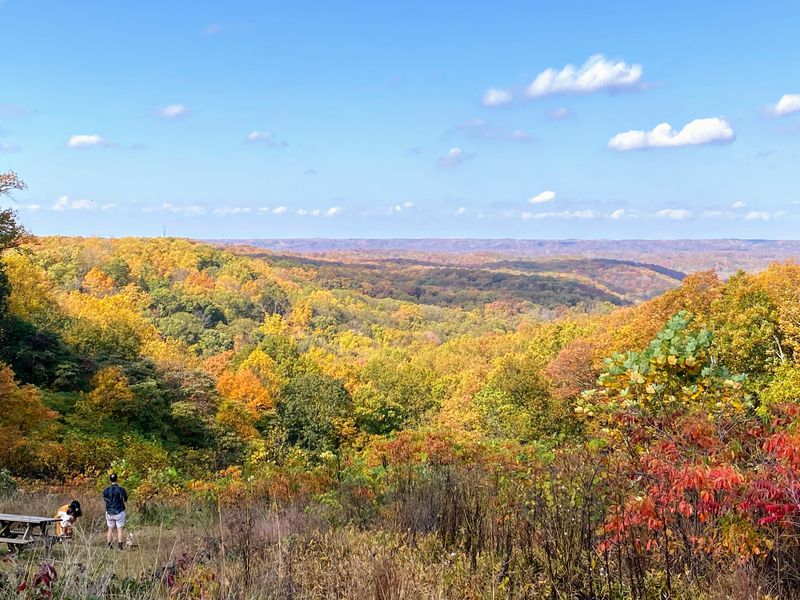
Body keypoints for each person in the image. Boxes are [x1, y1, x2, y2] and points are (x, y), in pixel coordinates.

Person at [102, 473, 128, 550]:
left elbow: (105, 499)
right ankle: (120, 546)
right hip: (119, 511)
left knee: (110, 529)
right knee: (119, 529)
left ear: (110, 480)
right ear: (117, 479)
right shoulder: (121, 489)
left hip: (109, 512)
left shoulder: (106, 490)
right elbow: (125, 499)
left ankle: (109, 545)